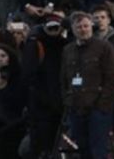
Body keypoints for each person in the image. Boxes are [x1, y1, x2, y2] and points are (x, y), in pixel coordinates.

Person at [60, 11, 114, 159]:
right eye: (79, 27)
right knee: (83, 150)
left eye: (86, 26)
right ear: (73, 29)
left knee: (99, 151)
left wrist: (103, 105)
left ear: (91, 26)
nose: (83, 30)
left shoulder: (104, 47)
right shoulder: (68, 50)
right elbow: (64, 78)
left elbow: (111, 78)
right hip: (76, 108)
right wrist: (68, 100)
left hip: (98, 108)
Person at [21, 13, 69, 158]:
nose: (54, 30)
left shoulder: (66, 45)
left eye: (56, 27)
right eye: (51, 27)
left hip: (60, 102)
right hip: (41, 104)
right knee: (42, 145)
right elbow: (29, 74)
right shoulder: (35, 44)